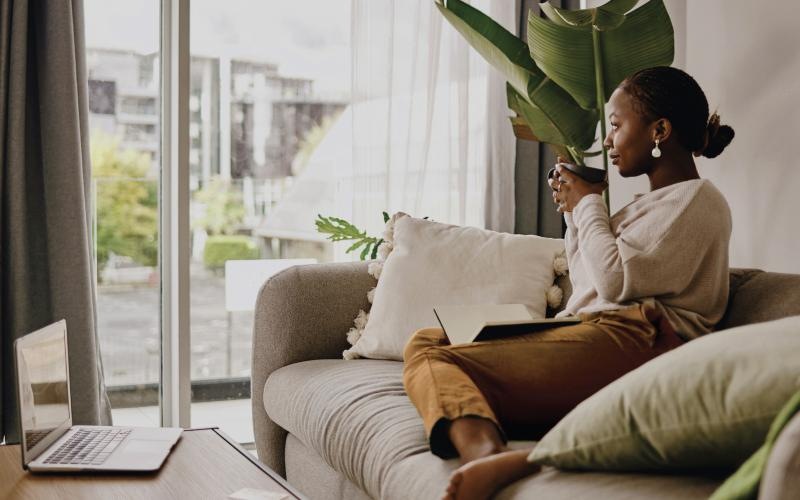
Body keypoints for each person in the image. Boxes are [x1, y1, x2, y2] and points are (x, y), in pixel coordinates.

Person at [401, 66, 736, 500]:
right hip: (600, 332)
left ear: (660, 130)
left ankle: (485, 454)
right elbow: (588, 282)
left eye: (616, 125)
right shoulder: (648, 205)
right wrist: (576, 216)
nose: (609, 140)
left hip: (642, 340)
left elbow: (615, 283)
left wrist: (591, 205)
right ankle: (495, 441)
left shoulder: (698, 201)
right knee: (428, 342)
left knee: (442, 361)